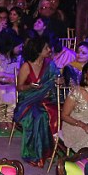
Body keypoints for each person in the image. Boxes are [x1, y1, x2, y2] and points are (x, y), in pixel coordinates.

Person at [14, 37, 61, 166]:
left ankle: (51, 149)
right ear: (38, 50)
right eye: (46, 48)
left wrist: (58, 81)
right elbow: (19, 88)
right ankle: (35, 153)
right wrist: (30, 87)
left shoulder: (49, 64)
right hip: (28, 100)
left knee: (54, 113)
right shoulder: (26, 66)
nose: (49, 50)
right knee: (39, 116)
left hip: (46, 98)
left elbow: (57, 78)